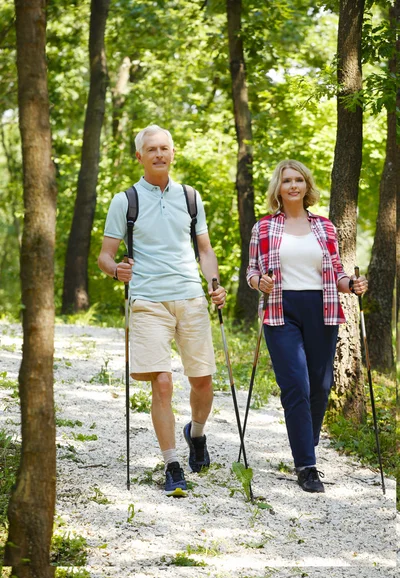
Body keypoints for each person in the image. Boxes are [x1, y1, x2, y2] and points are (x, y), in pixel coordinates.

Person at [98, 124, 226, 497]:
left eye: (164, 148)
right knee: (164, 382)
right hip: (148, 301)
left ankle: (196, 434)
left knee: (202, 381)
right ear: (139, 156)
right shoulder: (125, 201)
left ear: (173, 153)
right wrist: (116, 269)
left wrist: (214, 285)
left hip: (190, 297)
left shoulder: (190, 196)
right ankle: (172, 464)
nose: (158, 154)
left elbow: (204, 250)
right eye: (151, 149)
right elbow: (106, 255)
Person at [247, 159, 368, 493]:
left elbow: (336, 273)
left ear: (307, 186)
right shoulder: (265, 228)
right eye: (287, 180)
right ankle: (306, 465)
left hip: (321, 308)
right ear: (279, 188)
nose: (293, 185)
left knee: (320, 385)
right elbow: (251, 272)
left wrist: (352, 285)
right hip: (280, 310)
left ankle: (305, 444)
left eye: (299, 180)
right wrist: (260, 283)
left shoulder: (325, 227)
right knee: (296, 385)